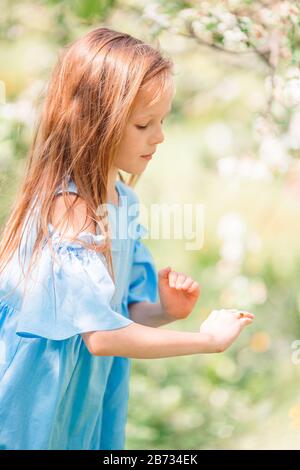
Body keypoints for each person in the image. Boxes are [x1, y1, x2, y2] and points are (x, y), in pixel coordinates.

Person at [0, 26, 254, 450]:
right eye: (143, 124)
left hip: (81, 400)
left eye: (162, 120)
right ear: (92, 124)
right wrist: (206, 341)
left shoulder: (124, 202)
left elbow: (120, 313)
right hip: (33, 402)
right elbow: (101, 336)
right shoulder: (68, 208)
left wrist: (163, 309)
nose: (159, 136)